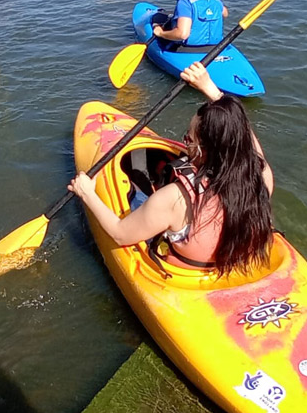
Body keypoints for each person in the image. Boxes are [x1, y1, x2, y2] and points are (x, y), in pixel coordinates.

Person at [68, 62, 274, 273]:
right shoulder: (261, 176)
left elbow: (119, 234)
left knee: (138, 192)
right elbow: (241, 134)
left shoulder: (175, 199)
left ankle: (139, 180)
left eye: (188, 139)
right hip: (240, 265)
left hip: (189, 274)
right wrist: (212, 91)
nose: (185, 143)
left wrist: (87, 193)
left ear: (203, 150)